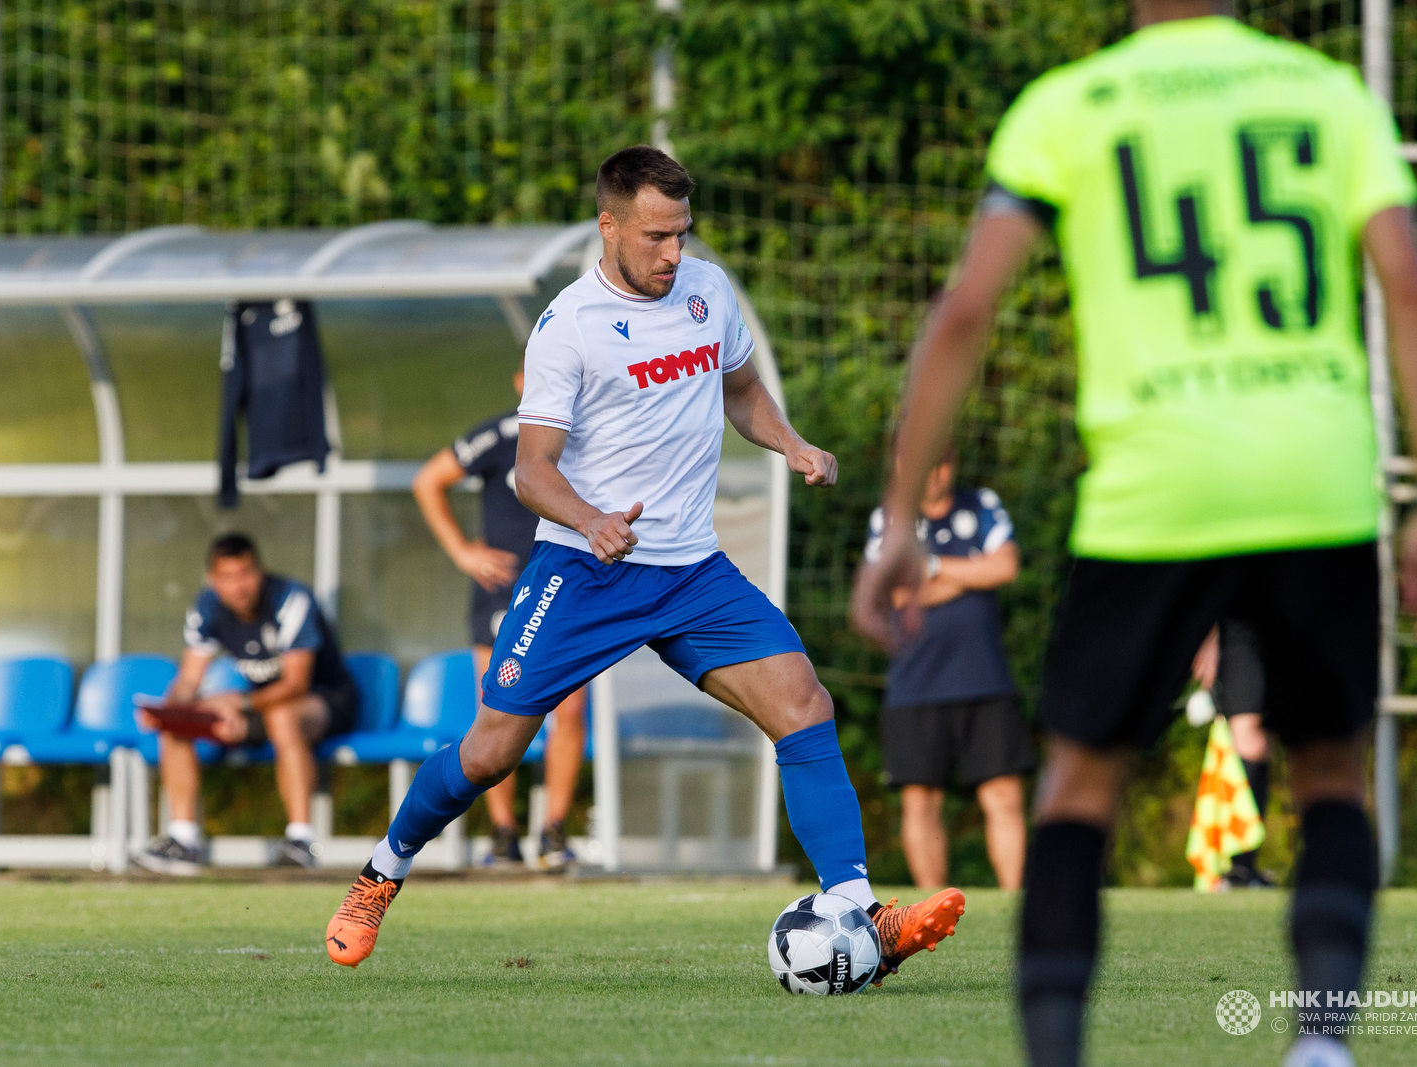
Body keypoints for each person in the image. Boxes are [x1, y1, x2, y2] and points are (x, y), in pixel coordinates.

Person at [853, 4, 1417, 1066]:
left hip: (1154, 494)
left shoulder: (1070, 105)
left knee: (1077, 787)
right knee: (1329, 777)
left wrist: (902, 518)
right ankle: (1321, 1044)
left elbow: (963, 312)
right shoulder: (1323, 93)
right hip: (1308, 482)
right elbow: (1409, 286)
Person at [326, 145, 966, 976]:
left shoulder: (708, 290)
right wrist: (591, 520)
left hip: (692, 571)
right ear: (610, 225)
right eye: (658, 236)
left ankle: (857, 911)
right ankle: (384, 870)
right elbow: (530, 470)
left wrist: (792, 442)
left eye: (683, 234)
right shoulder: (570, 327)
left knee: (805, 705)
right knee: (489, 753)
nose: (674, 253)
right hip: (583, 572)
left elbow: (739, 390)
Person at [412, 371, 588, 870]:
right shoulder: (499, 435)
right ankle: (502, 833)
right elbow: (428, 481)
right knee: (497, 709)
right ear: (518, 381)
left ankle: (554, 832)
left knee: (570, 713)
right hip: (504, 595)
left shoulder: (591, 434)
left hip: (572, 590)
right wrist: (464, 552)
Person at [858, 445, 1033, 890]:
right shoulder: (890, 520)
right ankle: (932, 906)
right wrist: (971, 576)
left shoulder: (983, 505)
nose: (934, 472)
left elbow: (1005, 567)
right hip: (916, 684)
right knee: (920, 801)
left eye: (943, 461)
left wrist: (932, 568)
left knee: (1004, 796)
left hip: (985, 678)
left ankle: (1015, 900)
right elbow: (897, 595)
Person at [136, 533, 359, 874]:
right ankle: (183, 841)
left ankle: (300, 842)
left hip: (325, 701)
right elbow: (189, 680)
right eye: (228, 577)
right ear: (213, 580)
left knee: (283, 717)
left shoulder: (291, 599)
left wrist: (239, 704)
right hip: (261, 705)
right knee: (177, 724)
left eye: (246, 574)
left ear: (261, 571)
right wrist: (171, 710)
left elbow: (296, 684)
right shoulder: (206, 605)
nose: (239, 586)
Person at [1192, 621, 1276, 888]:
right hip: (1240, 630)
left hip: (1292, 620)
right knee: (1249, 740)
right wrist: (1209, 639)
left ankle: (1247, 866)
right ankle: (1235, 866)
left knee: (1267, 744)